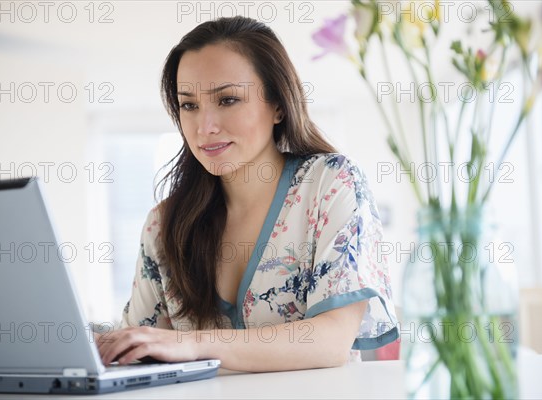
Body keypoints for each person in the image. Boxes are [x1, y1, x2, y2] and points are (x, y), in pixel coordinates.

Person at [96, 15, 398, 372]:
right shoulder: (162, 226)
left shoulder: (330, 185)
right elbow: (138, 350)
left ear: (278, 105)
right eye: (189, 105)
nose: (205, 127)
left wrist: (192, 343)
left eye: (227, 100)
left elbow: (330, 341)